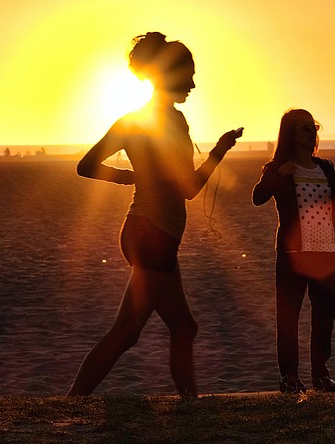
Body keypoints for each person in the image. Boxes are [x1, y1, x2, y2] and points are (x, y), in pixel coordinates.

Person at [67, 32, 241, 398]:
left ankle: (190, 403)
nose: (193, 84)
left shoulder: (133, 119)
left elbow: (87, 166)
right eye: (189, 75)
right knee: (126, 332)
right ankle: (73, 401)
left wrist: (130, 177)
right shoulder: (173, 122)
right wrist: (219, 152)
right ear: (168, 75)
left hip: (142, 230)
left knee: (183, 327)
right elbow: (189, 189)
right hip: (155, 234)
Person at [252, 109, 335, 393]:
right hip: (293, 256)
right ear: (291, 134)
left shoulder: (324, 166)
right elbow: (258, 197)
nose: (311, 131)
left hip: (328, 252)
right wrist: (280, 175)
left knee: (325, 316)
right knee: (288, 317)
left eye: (313, 126)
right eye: (304, 128)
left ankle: (320, 374)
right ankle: (289, 377)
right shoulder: (278, 168)